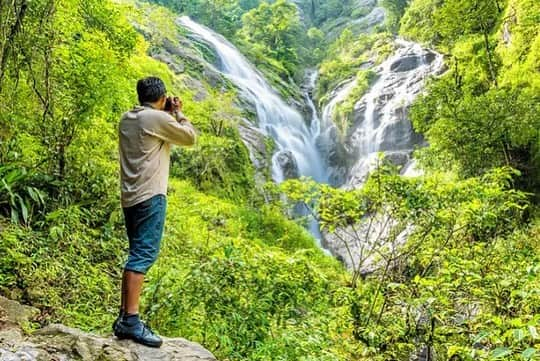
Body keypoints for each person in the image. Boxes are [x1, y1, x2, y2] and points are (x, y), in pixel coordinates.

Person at [113, 76, 197, 347]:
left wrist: (164, 112)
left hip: (130, 197)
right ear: (161, 98)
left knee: (135, 254)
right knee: (143, 255)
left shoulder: (128, 118)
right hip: (151, 196)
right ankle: (131, 321)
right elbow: (189, 137)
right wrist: (178, 114)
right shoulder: (157, 120)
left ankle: (125, 316)